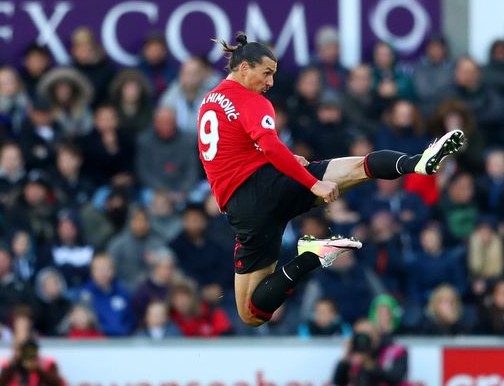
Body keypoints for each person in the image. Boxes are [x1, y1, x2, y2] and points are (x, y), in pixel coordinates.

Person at [198, 33, 465, 327]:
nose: (271, 82)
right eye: (267, 73)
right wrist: (312, 183)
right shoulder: (254, 102)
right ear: (245, 68)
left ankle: (312, 256)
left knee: (252, 314)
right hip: (263, 190)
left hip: (248, 203)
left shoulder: (211, 99)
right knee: (356, 169)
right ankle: (415, 162)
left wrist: (277, 164)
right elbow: (270, 146)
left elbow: (232, 151)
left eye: (273, 74)